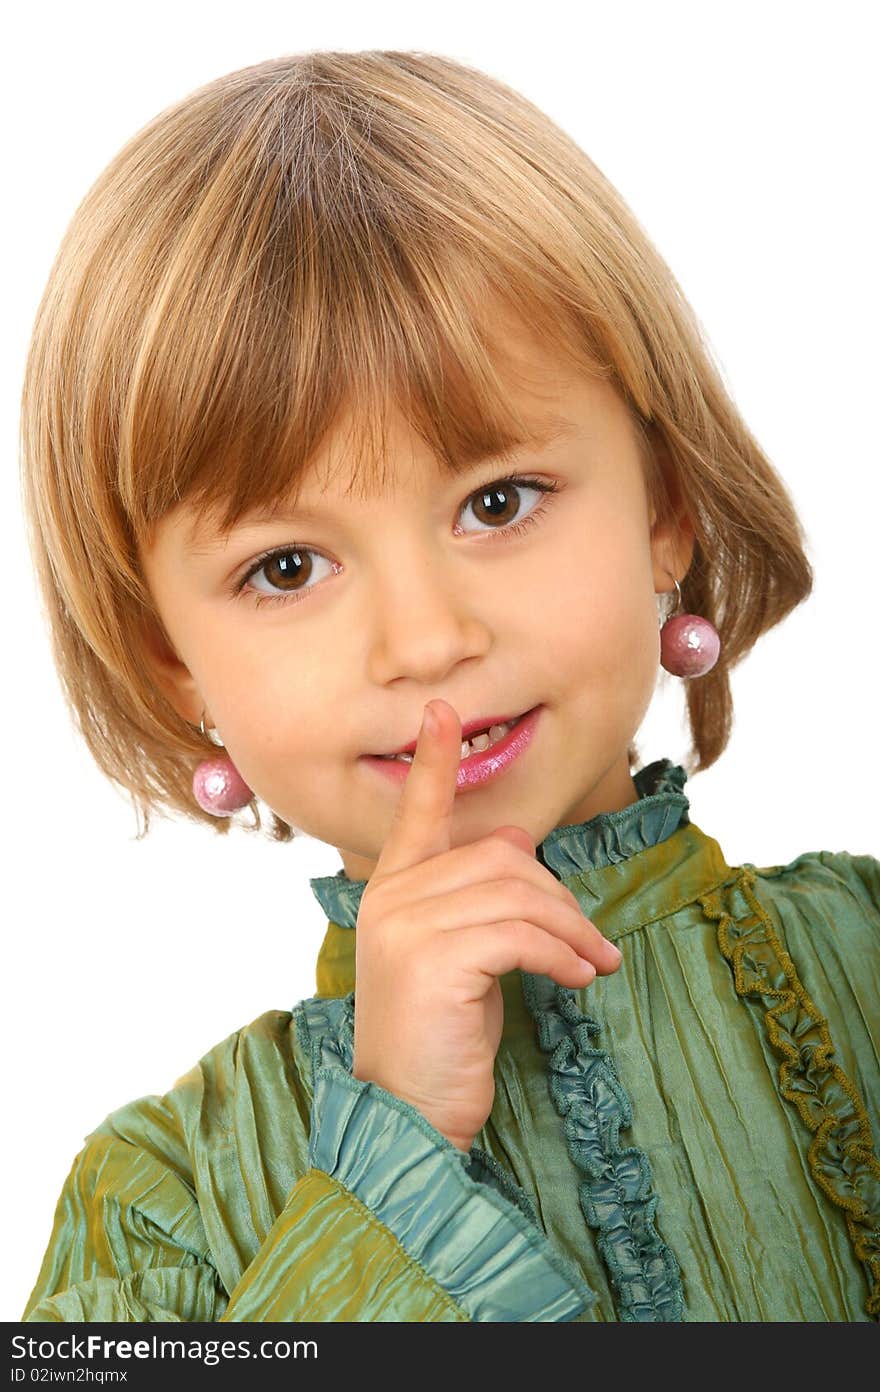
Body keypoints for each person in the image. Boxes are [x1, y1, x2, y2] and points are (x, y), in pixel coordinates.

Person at [19, 48, 879, 1324]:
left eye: (496, 500)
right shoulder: (154, 1199)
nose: (424, 640)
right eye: (288, 565)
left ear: (667, 506)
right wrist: (396, 1152)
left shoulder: (861, 968)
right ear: (169, 657)